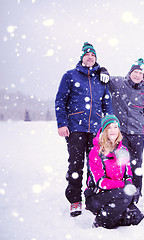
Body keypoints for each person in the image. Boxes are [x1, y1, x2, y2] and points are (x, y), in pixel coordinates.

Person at [55, 42, 113, 217]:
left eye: (93, 55)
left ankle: (91, 196)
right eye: (87, 55)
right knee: (76, 164)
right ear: (82, 58)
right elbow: (60, 101)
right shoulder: (70, 76)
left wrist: (109, 125)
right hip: (75, 128)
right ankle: (74, 200)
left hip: (96, 130)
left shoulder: (101, 78)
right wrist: (62, 123)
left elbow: (107, 103)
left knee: (95, 164)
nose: (90, 57)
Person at [85, 115, 144, 228]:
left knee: (137, 217)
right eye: (109, 127)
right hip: (97, 195)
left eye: (115, 127)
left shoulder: (123, 150)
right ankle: (101, 221)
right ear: (104, 131)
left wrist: (130, 185)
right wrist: (124, 185)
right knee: (125, 195)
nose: (113, 131)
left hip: (118, 193)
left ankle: (116, 215)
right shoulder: (96, 152)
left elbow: (128, 174)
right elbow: (101, 182)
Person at [107, 58, 144, 198]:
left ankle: (136, 192)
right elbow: (106, 79)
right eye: (135, 72)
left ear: (143, 76)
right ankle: (122, 191)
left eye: (140, 73)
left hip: (138, 133)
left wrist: (137, 121)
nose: (137, 75)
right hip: (121, 133)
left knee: (137, 163)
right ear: (130, 73)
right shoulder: (119, 83)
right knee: (121, 163)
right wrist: (103, 70)